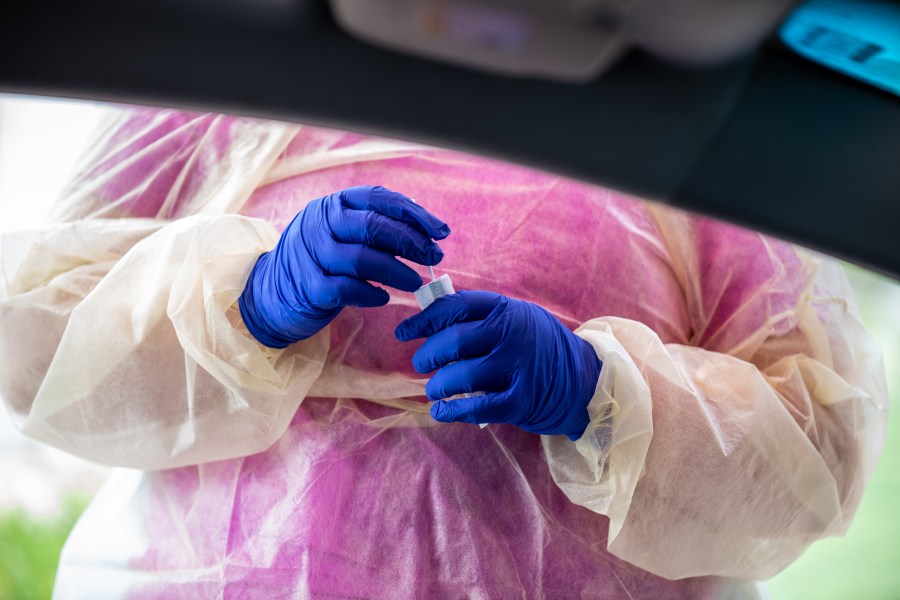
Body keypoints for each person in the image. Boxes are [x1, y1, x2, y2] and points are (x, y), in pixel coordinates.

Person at [0, 107, 887, 599]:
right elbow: (32, 341)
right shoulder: (228, 76)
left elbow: (819, 454)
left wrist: (598, 392)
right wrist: (248, 300)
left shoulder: (695, 127)